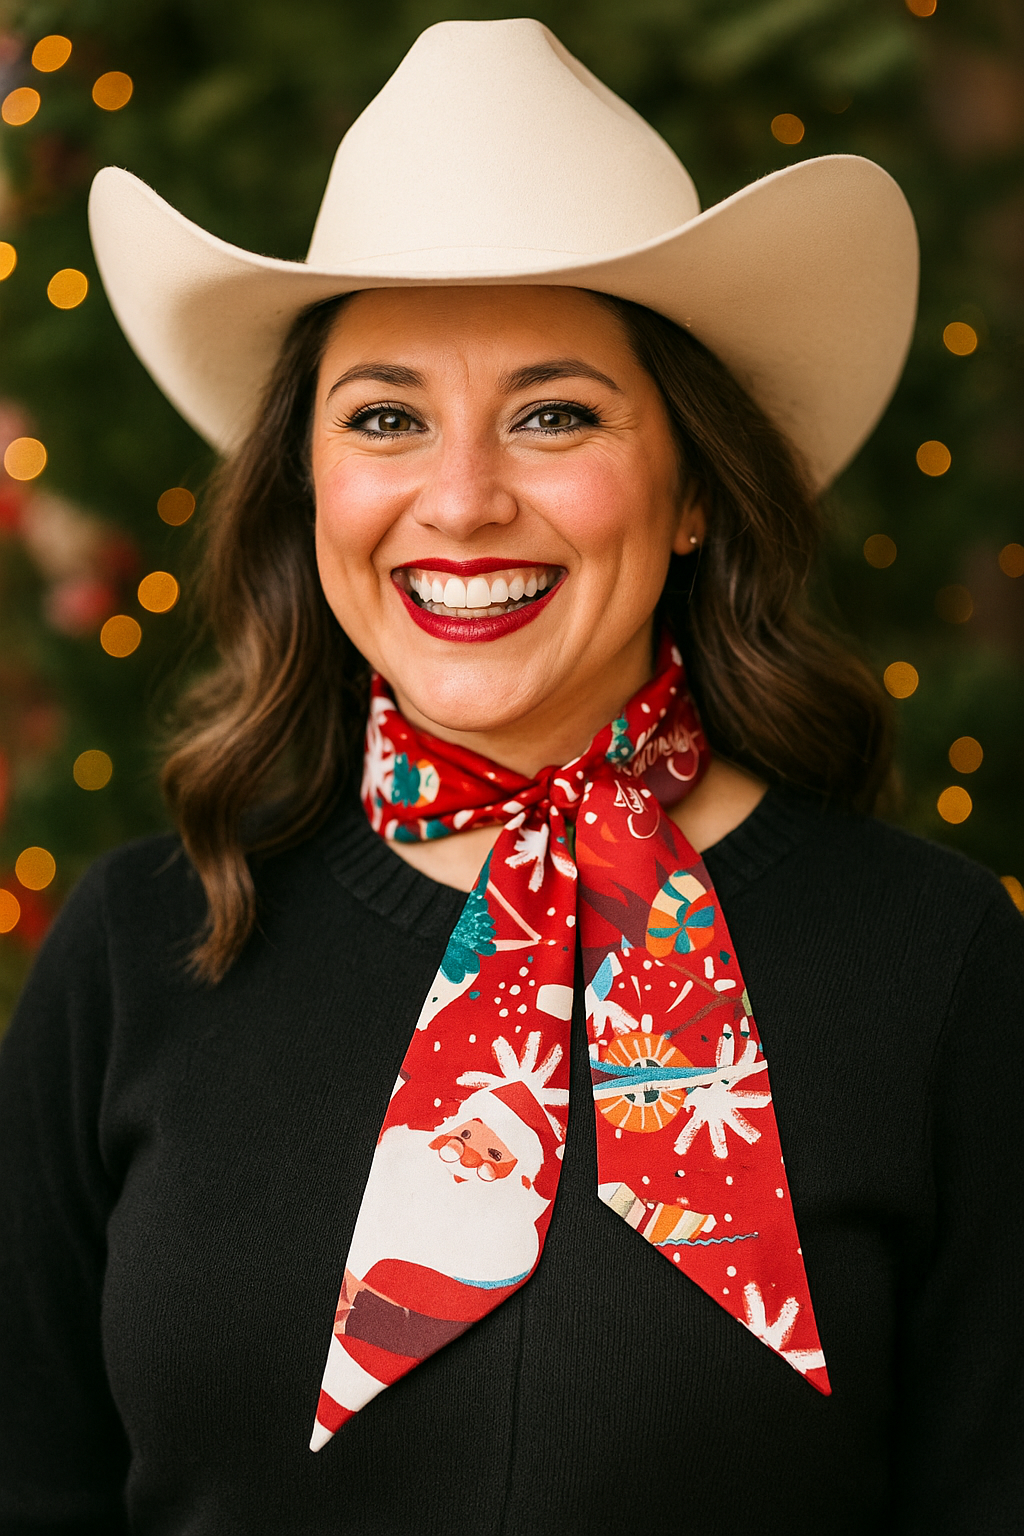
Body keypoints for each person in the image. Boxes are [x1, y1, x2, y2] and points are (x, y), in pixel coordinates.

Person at [0, 17, 1021, 1535]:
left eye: (555, 414)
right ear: (308, 482)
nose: (463, 501)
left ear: (692, 487)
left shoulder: (935, 963)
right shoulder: (132, 949)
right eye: (385, 418)